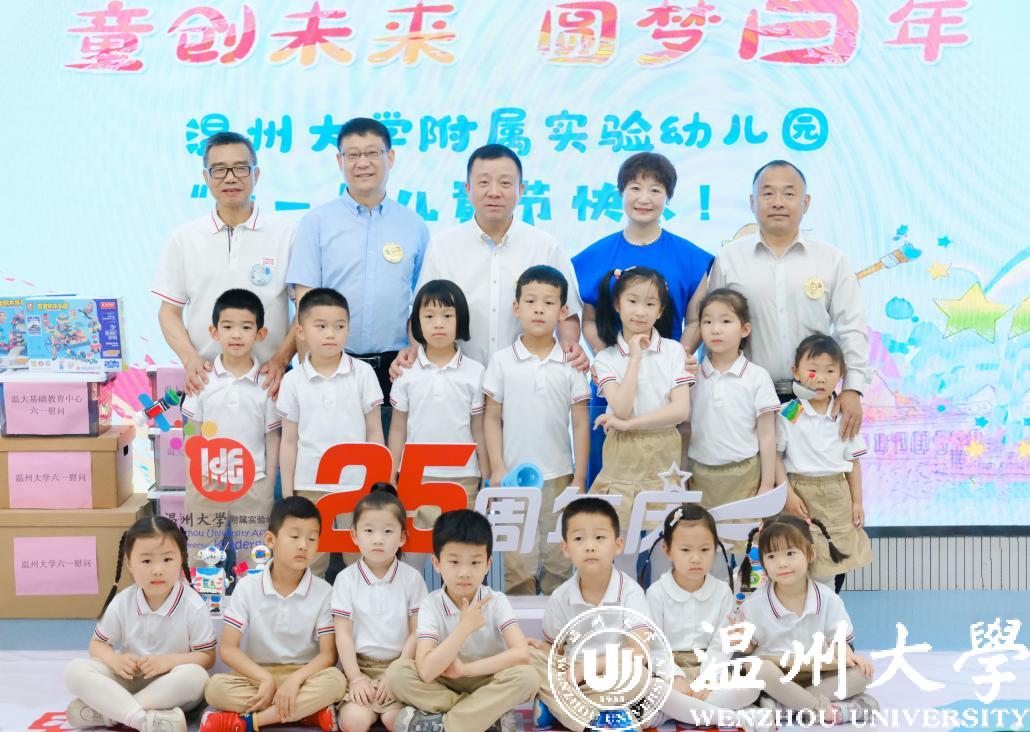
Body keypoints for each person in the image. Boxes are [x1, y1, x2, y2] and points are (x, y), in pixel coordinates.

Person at [571, 152, 714, 482]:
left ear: (668, 197)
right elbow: (588, 320)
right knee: (607, 478)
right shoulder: (593, 256)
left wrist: (676, 357)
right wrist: (610, 360)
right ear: (621, 193)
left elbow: (696, 321)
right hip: (611, 385)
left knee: (662, 481)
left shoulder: (690, 257)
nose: (644, 198)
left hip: (667, 386)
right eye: (635, 188)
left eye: (655, 190)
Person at [709, 160, 869, 440]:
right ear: (752, 202)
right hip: (745, 399)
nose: (778, 202)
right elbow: (713, 330)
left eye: (789, 193)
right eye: (768, 193)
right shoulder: (729, 260)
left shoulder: (832, 260)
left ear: (805, 203)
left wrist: (853, 388)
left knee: (816, 466)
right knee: (750, 468)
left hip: (814, 399)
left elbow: (851, 327)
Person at [287, 117, 429, 430]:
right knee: (332, 454)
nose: (362, 163)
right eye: (352, 155)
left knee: (390, 455)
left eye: (372, 153)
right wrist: (310, 373)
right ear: (340, 161)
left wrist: (416, 355)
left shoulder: (414, 225)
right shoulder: (316, 223)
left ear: (390, 157)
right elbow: (305, 305)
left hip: (395, 368)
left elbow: (423, 305)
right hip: (333, 364)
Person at [393, 144, 586, 371]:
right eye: (483, 182)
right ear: (468, 189)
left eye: (505, 183)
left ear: (521, 190)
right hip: (457, 378)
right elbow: (421, 314)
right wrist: (417, 360)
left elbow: (567, 313)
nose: (494, 192)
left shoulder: (545, 246)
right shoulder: (443, 246)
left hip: (528, 378)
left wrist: (569, 346)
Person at [152, 131, 295, 398]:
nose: (230, 178)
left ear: (256, 175)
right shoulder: (184, 238)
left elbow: (306, 309)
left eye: (240, 168)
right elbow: (169, 312)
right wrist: (190, 359)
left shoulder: (287, 234)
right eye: (219, 170)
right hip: (206, 382)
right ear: (206, 177)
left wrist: (282, 359)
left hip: (270, 382)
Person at [483, 265, 590, 594]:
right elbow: (491, 417)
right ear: (516, 308)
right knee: (517, 565)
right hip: (513, 479)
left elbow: (580, 422)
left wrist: (579, 477)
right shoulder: (502, 361)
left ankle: (558, 621)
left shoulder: (571, 363)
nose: (539, 309)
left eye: (548, 302)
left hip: (559, 476)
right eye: (530, 301)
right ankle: (518, 625)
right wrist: (498, 467)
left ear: (563, 311)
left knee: (560, 560)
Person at [201, 497, 346, 732]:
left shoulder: (324, 592)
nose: (303, 545)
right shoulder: (247, 586)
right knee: (215, 688)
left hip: (304, 676)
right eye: (294, 536)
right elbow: (228, 649)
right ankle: (307, 714)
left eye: (312, 538)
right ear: (271, 540)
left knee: (336, 681)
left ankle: (250, 722)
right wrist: (265, 679)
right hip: (257, 675)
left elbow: (328, 655)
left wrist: (295, 681)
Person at [384, 510, 537, 732]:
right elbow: (426, 671)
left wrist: (465, 669)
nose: (464, 572)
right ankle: (484, 718)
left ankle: (445, 725)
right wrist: (464, 628)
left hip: (486, 679)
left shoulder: (496, 601)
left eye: (475, 562)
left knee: (528, 677)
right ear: (437, 563)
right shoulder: (431, 604)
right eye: (454, 562)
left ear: (488, 564)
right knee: (397, 674)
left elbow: (521, 654)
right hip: (443, 682)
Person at [64, 516, 214, 732]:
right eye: (146, 561)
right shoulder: (123, 600)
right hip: (128, 679)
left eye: (167, 559)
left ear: (181, 559)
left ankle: (110, 712)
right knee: (75, 670)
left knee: (196, 677)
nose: (157, 570)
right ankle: (144, 720)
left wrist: (168, 661)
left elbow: (207, 657)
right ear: (129, 563)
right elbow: (97, 645)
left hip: (169, 685)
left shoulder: (193, 605)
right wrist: (115, 660)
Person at [277, 288, 384, 577]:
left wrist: (377, 485)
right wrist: (288, 493)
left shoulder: (363, 373)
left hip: (357, 485)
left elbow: (375, 433)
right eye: (321, 326)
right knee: (310, 562)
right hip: (310, 485)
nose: (331, 334)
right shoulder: (293, 381)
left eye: (339, 326)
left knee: (362, 560)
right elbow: (289, 441)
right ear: (301, 331)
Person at [738, 514, 878, 725]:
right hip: (776, 674)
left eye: (790, 553)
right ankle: (822, 709)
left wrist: (847, 655)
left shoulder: (829, 599)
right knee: (756, 668)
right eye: (772, 556)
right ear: (763, 562)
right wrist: (741, 641)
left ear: (810, 553)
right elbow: (747, 650)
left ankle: (786, 706)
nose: (782, 563)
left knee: (862, 674)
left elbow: (838, 640)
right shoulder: (754, 604)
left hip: (816, 673)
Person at [528, 497, 651, 732]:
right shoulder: (561, 596)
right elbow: (556, 650)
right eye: (579, 539)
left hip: (610, 672)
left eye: (600, 538)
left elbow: (640, 651)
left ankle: (558, 709)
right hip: (571, 674)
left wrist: (588, 668)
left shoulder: (630, 592)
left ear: (618, 545)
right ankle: (600, 717)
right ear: (565, 548)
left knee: (640, 676)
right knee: (526, 655)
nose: (590, 546)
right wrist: (542, 650)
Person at [180, 288, 281, 568]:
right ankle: (203, 597)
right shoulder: (202, 379)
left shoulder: (266, 384)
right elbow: (191, 431)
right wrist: (193, 479)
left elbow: (272, 438)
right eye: (227, 327)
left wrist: (268, 484)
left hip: (253, 483)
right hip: (207, 482)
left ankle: (252, 598)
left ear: (261, 334)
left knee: (256, 560)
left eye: (246, 327)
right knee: (202, 557)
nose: (236, 335)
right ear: (214, 332)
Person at [589, 267, 693, 533]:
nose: (640, 311)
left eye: (650, 304)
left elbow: (681, 410)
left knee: (664, 536)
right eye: (632, 301)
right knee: (619, 535)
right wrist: (634, 357)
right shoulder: (605, 359)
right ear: (617, 304)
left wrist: (631, 425)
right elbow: (622, 409)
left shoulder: (673, 351)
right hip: (622, 454)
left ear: (660, 311)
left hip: (663, 453)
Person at [388, 280, 488, 553]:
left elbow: (479, 429)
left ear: (461, 320)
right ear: (416, 324)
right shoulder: (406, 372)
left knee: (461, 549)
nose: (439, 324)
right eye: (429, 316)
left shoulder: (475, 372)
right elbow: (397, 429)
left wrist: (486, 476)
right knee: (416, 553)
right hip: (416, 478)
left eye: (447, 315)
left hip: (463, 478)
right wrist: (391, 475)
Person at [645, 504, 766, 731]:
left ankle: (673, 713)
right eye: (685, 550)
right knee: (654, 690)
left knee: (752, 687)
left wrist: (708, 678)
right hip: (670, 673)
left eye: (704, 550)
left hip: (709, 668)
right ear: (667, 550)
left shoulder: (722, 592)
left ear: (715, 549)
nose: (696, 558)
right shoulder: (656, 593)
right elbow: (655, 647)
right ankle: (735, 718)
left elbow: (721, 644)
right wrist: (675, 677)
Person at [777, 334, 874, 593]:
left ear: (841, 374)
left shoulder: (844, 415)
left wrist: (857, 502)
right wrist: (788, 494)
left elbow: (853, 463)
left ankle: (828, 614)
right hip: (800, 495)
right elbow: (775, 457)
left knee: (831, 565)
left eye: (830, 371)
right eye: (812, 370)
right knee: (798, 558)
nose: (821, 378)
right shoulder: (790, 411)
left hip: (836, 495)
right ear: (796, 372)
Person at [332, 484, 428, 732]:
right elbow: (343, 634)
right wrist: (355, 678)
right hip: (359, 667)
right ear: (354, 535)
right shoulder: (345, 579)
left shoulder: (412, 578)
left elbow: (416, 633)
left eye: (388, 531)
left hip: (400, 666)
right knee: (356, 721)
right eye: (369, 531)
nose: (378, 539)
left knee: (395, 720)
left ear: (402, 537)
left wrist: (394, 674)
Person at [689, 289, 779, 521]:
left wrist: (767, 484)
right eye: (707, 322)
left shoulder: (757, 376)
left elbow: (767, 434)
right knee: (702, 537)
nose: (715, 329)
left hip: (744, 475)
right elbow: (684, 429)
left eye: (726, 321)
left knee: (743, 537)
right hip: (700, 475)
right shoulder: (691, 376)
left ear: (745, 329)